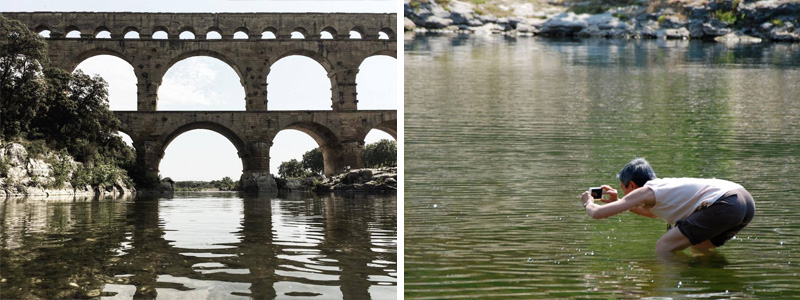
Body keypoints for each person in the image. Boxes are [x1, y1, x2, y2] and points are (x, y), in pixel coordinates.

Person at [580, 158, 755, 259]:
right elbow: (651, 213)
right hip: (743, 201)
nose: (624, 193)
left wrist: (588, 202)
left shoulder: (645, 191)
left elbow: (597, 214)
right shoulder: (662, 188)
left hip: (726, 203)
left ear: (632, 185)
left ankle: (676, 281)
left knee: (663, 246)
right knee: (700, 246)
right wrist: (617, 202)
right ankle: (708, 281)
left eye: (623, 188)